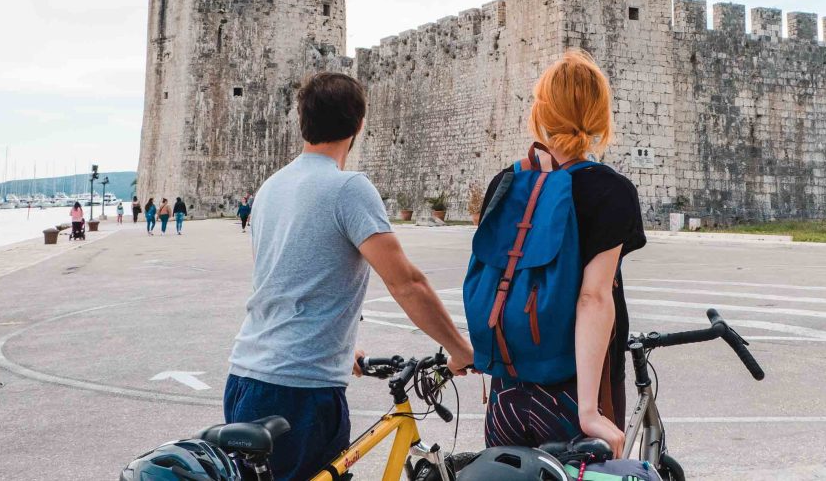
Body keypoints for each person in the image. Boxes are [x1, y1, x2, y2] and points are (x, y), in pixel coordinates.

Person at [225, 71, 473, 481]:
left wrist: (344, 347)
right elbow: (406, 283)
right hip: (300, 390)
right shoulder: (348, 189)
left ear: (301, 120)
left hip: (246, 377)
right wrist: (459, 349)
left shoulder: (271, 188)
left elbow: (291, 279)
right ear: (359, 125)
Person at [475, 50, 645, 458]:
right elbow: (593, 297)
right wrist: (588, 410)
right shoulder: (611, 191)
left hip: (506, 396)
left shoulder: (506, 183)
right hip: (571, 396)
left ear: (540, 114)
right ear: (599, 118)